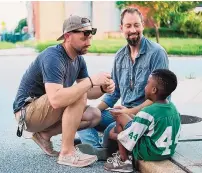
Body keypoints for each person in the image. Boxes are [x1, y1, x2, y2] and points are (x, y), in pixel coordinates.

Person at [13, 15, 115, 168]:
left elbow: (89, 90)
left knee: (94, 115)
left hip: (46, 112)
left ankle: (44, 135)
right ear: (67, 36)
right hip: (26, 113)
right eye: (84, 37)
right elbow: (56, 100)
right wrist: (91, 81)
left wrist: (101, 88)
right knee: (78, 93)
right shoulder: (53, 56)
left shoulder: (79, 60)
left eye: (90, 36)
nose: (88, 42)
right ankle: (67, 153)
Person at [76, 7, 169, 160]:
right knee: (81, 116)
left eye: (136, 25)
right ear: (121, 28)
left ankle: (99, 148)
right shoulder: (120, 56)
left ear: (142, 25)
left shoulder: (157, 53)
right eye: (128, 26)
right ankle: (98, 148)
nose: (133, 30)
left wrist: (128, 112)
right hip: (123, 113)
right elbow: (115, 93)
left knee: (109, 131)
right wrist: (94, 113)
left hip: (145, 116)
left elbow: (157, 99)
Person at [104, 69, 181, 172]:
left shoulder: (148, 111)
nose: (145, 86)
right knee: (125, 115)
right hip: (166, 152)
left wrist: (115, 136)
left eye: (147, 83)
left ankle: (124, 161)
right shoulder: (173, 108)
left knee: (120, 116)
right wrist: (128, 113)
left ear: (154, 90)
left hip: (149, 152)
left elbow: (129, 136)